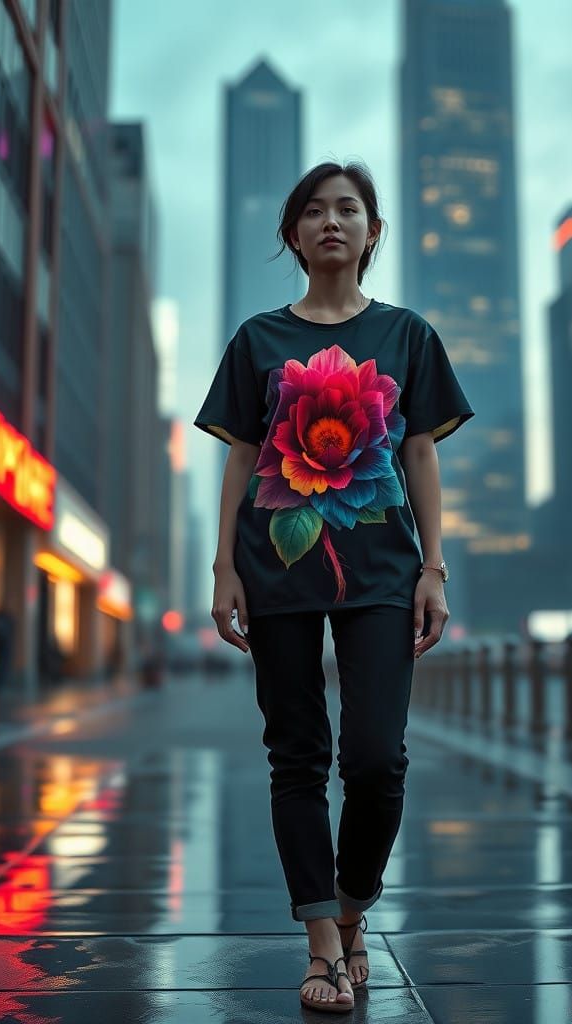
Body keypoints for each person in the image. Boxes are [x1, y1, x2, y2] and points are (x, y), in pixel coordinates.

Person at [193, 160, 474, 1013]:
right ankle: (321, 945)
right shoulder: (257, 340)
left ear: (373, 233)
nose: (331, 223)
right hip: (275, 567)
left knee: (379, 759)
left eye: (348, 209)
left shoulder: (407, 336)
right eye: (313, 211)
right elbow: (244, 455)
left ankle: (353, 912)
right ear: (294, 235)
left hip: (384, 570)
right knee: (297, 757)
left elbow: (418, 451)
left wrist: (434, 565)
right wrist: (222, 566)